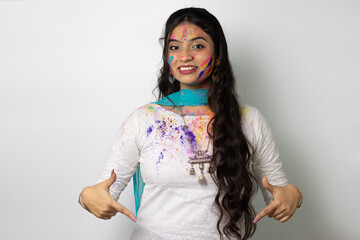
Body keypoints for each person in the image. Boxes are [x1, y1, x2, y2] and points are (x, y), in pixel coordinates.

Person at [78, 7, 303, 240]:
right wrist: (87, 197)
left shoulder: (249, 121)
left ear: (217, 56)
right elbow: (103, 190)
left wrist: (291, 196)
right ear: (167, 58)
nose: (184, 56)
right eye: (175, 47)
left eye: (197, 45)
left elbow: (279, 191)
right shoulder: (144, 120)